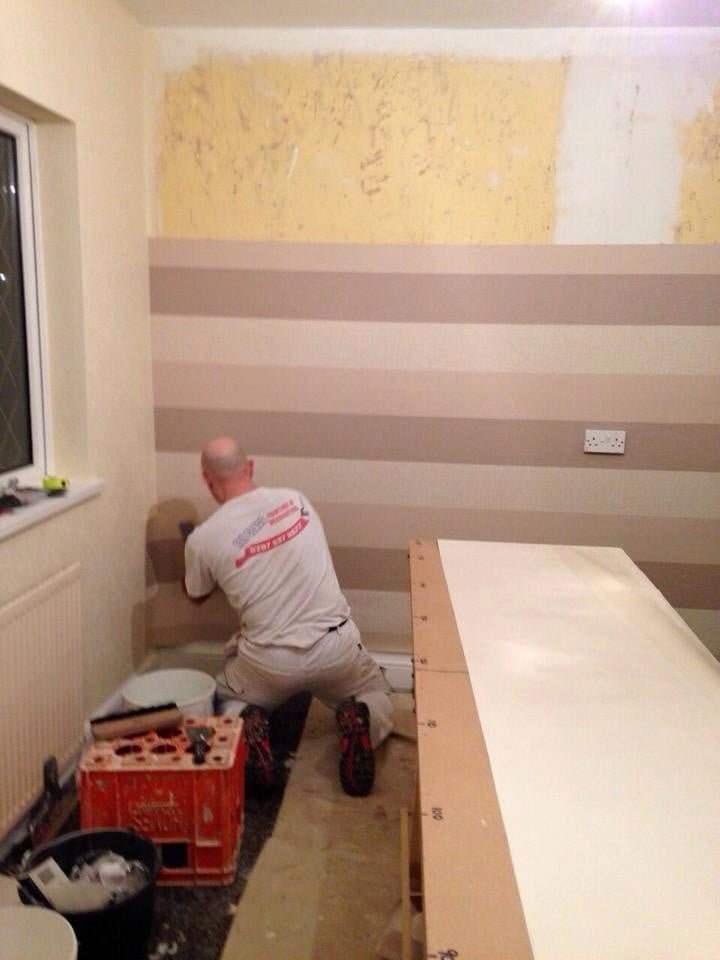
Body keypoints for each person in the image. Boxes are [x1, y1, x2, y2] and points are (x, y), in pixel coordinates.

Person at [182, 436, 394, 797]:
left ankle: (245, 724)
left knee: (225, 697)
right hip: (334, 647)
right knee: (378, 692)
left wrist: (195, 551)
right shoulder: (297, 501)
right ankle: (362, 718)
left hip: (269, 663)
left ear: (207, 480)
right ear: (250, 467)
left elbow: (196, 595)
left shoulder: (203, 538)